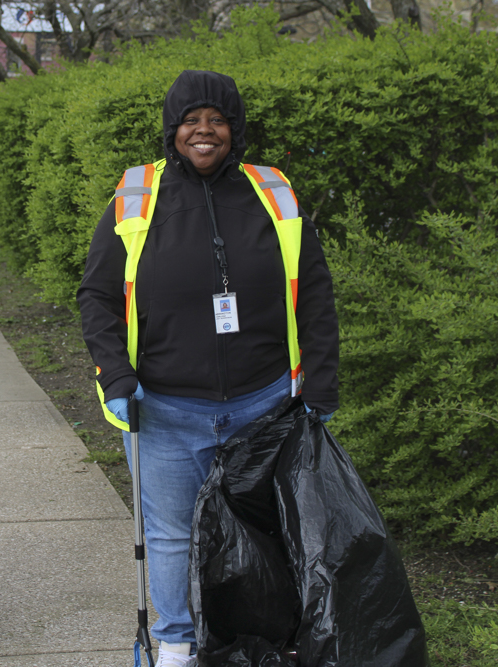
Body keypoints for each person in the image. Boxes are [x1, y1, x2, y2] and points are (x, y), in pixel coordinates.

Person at [77, 70, 339, 667]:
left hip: (264, 401)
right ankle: (175, 641)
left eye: (216, 120)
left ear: (233, 129)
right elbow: (96, 296)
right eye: (191, 120)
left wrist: (320, 381)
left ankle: (258, 635)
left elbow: (314, 293)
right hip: (166, 405)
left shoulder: (273, 191)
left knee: (263, 526)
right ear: (173, 131)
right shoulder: (136, 194)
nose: (204, 131)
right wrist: (115, 378)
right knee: (169, 535)